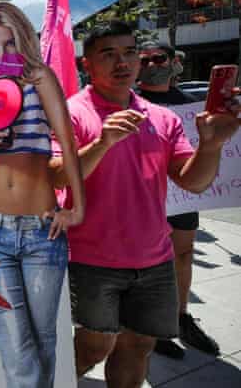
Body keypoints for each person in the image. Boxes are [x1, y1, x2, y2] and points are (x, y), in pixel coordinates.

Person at [49, 21, 240, 388]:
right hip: (92, 260)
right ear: (87, 64)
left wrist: (212, 144)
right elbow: (55, 175)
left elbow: (193, 181)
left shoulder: (162, 117)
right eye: (109, 54)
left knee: (138, 346)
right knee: (94, 346)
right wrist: (102, 143)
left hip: (155, 259)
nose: (123, 62)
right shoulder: (71, 112)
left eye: (129, 52)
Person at [0, 1, 85, 388]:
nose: (1, 53)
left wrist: (77, 208)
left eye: (10, 43)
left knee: (44, 344)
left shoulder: (40, 77)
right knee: (17, 355)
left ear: (23, 40)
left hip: (41, 229)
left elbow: (66, 141)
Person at [136, 41, 220, 359]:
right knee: (148, 264)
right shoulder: (127, 103)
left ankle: (181, 317)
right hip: (142, 199)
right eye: (144, 60)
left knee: (182, 255)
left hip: (181, 196)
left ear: (175, 62)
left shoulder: (193, 106)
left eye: (159, 58)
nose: (152, 64)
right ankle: (152, 325)